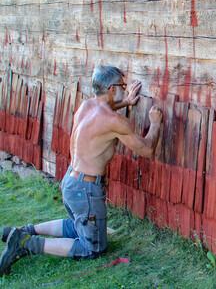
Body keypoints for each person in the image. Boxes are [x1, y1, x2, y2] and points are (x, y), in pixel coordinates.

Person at [0, 65, 162, 276]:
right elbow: (148, 150)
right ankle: (27, 243)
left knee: (79, 225)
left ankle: (24, 230)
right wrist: (155, 123)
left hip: (71, 182)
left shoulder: (87, 106)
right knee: (93, 248)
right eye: (123, 85)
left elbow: (104, 114)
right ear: (112, 89)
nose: (125, 89)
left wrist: (127, 102)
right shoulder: (115, 121)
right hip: (86, 190)